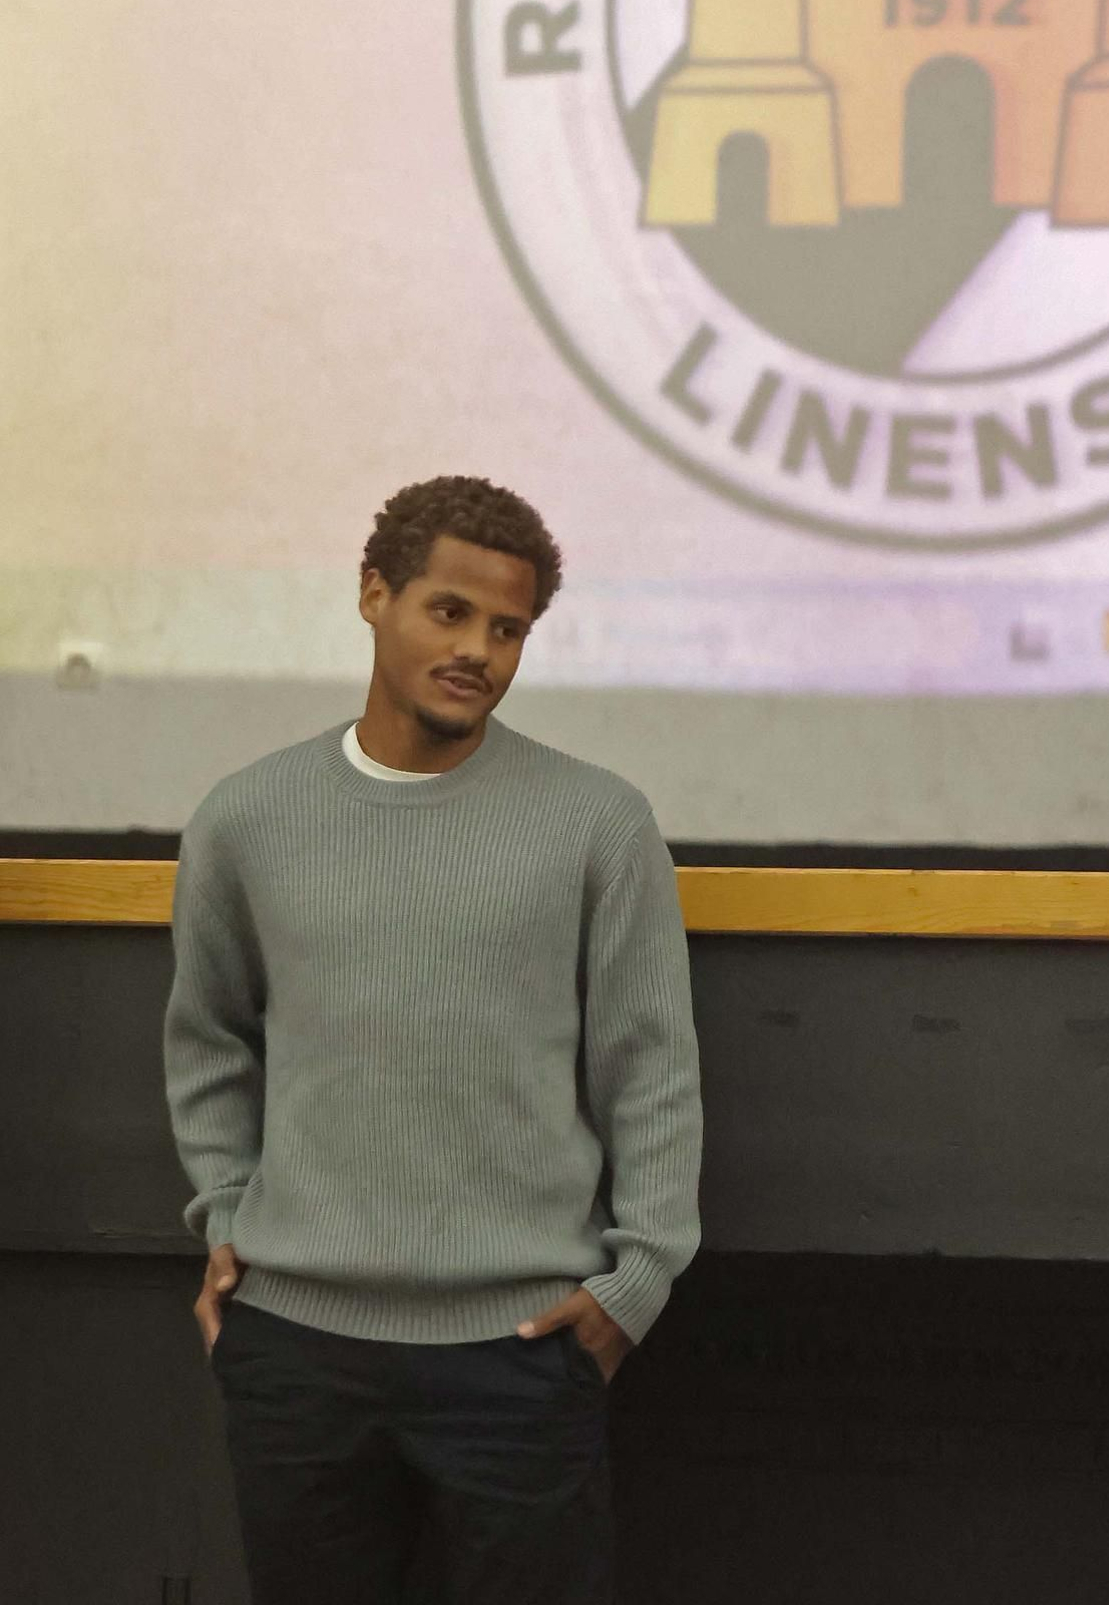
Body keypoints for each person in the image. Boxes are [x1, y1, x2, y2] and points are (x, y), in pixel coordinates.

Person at [163, 474, 703, 1603]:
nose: (479, 651)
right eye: (448, 612)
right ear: (374, 595)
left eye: (507, 630)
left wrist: (636, 1282)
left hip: (519, 1351)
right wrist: (223, 1211)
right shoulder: (247, 818)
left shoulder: (597, 823)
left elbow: (649, 1069)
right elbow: (209, 1039)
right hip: (296, 1350)